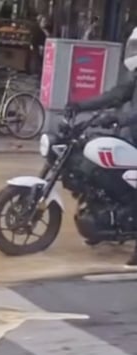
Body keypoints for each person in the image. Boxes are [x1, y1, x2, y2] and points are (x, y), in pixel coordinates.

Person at [66, 27, 137, 263]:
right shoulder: (135, 76)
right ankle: (104, 221)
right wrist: (81, 105)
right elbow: (115, 95)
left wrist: (119, 118)